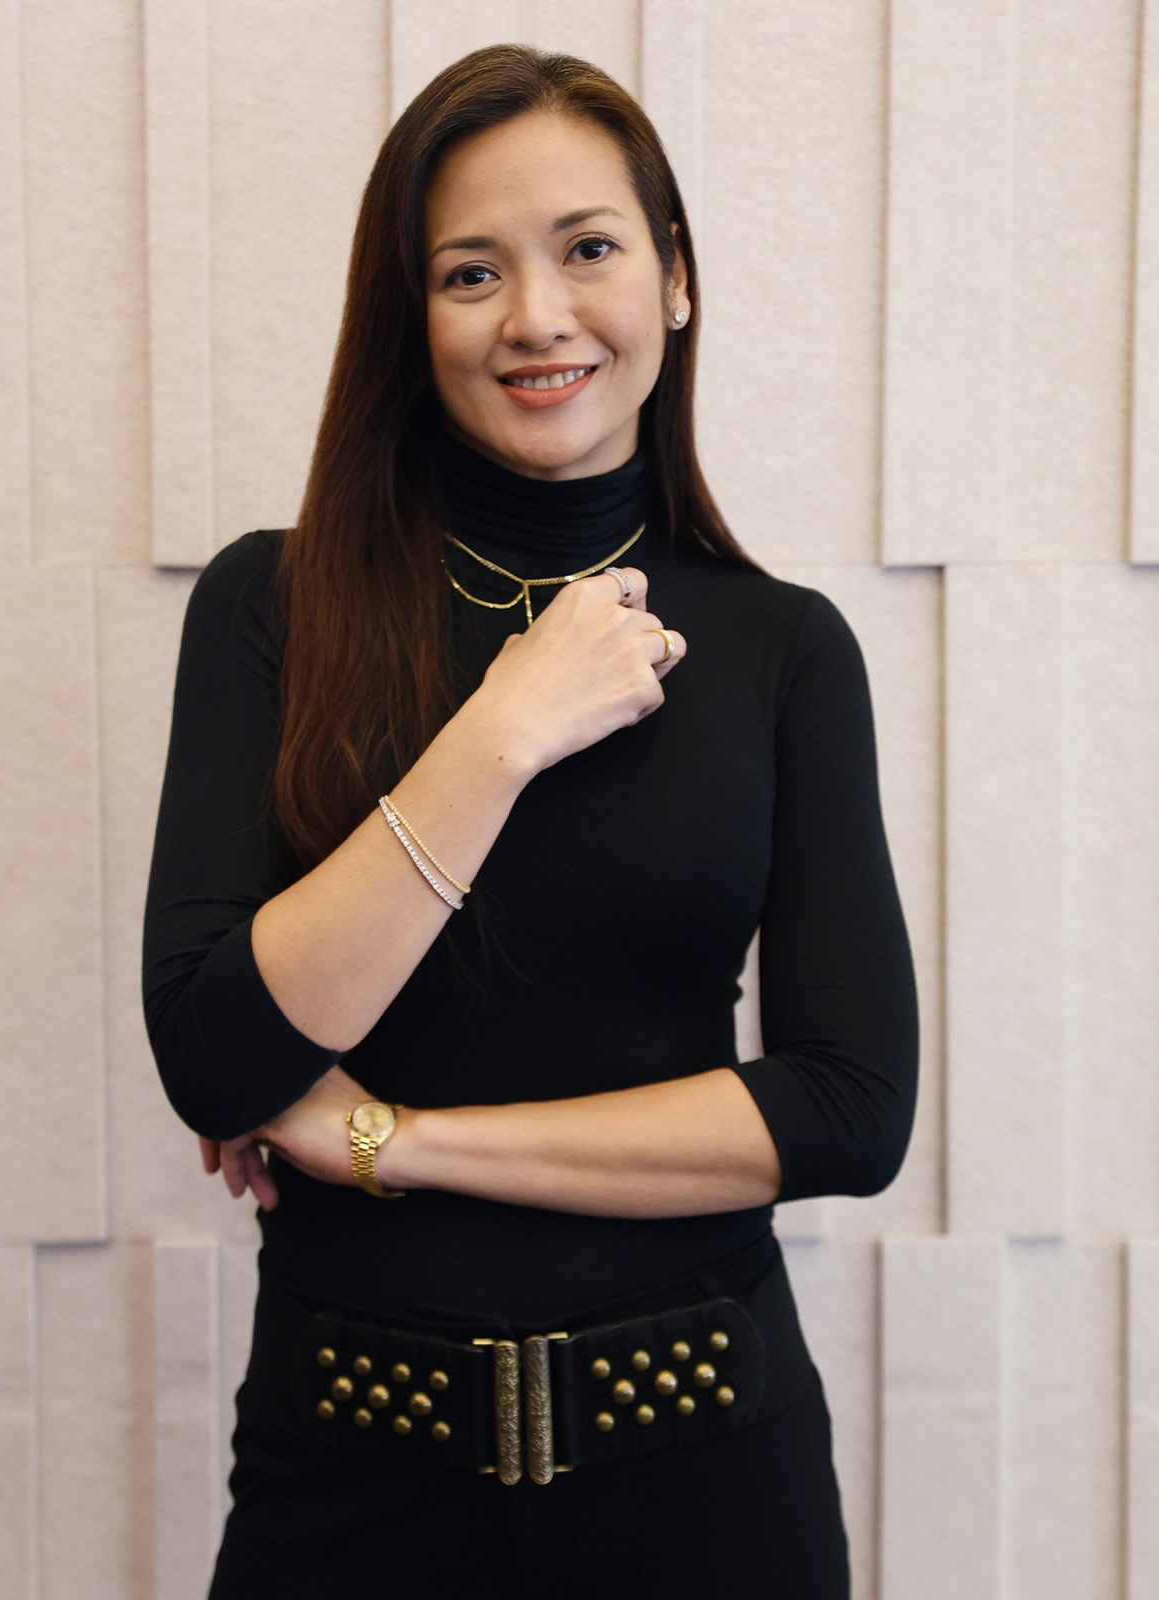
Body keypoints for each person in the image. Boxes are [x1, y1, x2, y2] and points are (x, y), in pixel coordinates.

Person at [143, 43, 917, 1600]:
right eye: (469, 272)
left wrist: (395, 1142)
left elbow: (846, 1112)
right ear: (408, 316)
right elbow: (219, 1058)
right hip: (347, 1481)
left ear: (673, 278)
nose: (537, 317)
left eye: (588, 249)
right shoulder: (269, 604)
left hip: (706, 1477)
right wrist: (503, 732)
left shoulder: (780, 648)